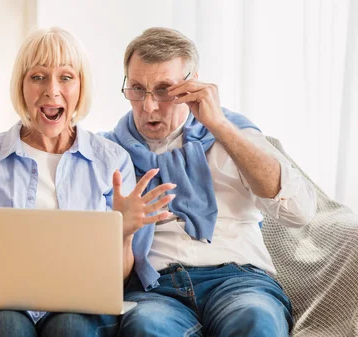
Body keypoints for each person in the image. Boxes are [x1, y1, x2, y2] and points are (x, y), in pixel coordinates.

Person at [0, 27, 176, 337]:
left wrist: (124, 234)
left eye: (66, 77)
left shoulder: (112, 162)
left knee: (71, 327)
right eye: (38, 77)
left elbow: (116, 280)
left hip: (80, 305)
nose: (51, 91)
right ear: (21, 86)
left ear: (81, 86)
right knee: (8, 325)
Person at [102, 27, 318, 337]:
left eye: (164, 89)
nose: (148, 106)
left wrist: (218, 126)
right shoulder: (108, 154)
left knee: (256, 320)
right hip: (155, 288)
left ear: (191, 85)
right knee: (145, 327)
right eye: (137, 88)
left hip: (239, 280)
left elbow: (300, 212)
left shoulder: (235, 134)